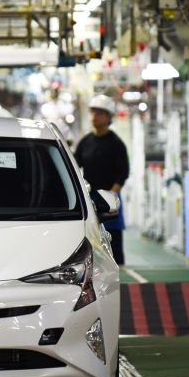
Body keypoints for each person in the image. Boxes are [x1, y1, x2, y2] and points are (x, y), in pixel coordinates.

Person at [74, 94, 130, 265]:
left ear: (108, 117)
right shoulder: (85, 142)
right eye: (93, 112)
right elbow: (75, 167)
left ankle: (119, 269)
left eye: (99, 113)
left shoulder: (116, 144)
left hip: (110, 198)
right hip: (89, 199)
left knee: (113, 241)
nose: (94, 116)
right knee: (91, 239)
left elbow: (123, 172)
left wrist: (111, 196)